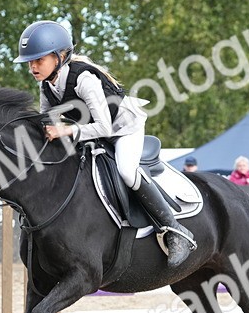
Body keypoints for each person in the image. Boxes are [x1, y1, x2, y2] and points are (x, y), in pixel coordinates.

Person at [14, 20, 196, 267]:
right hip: (93, 133)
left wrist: (65, 130)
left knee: (126, 171)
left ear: (60, 56)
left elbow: (104, 127)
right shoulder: (46, 84)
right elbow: (47, 121)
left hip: (122, 129)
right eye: (30, 62)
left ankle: (174, 230)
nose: (33, 67)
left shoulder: (84, 79)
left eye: (39, 60)